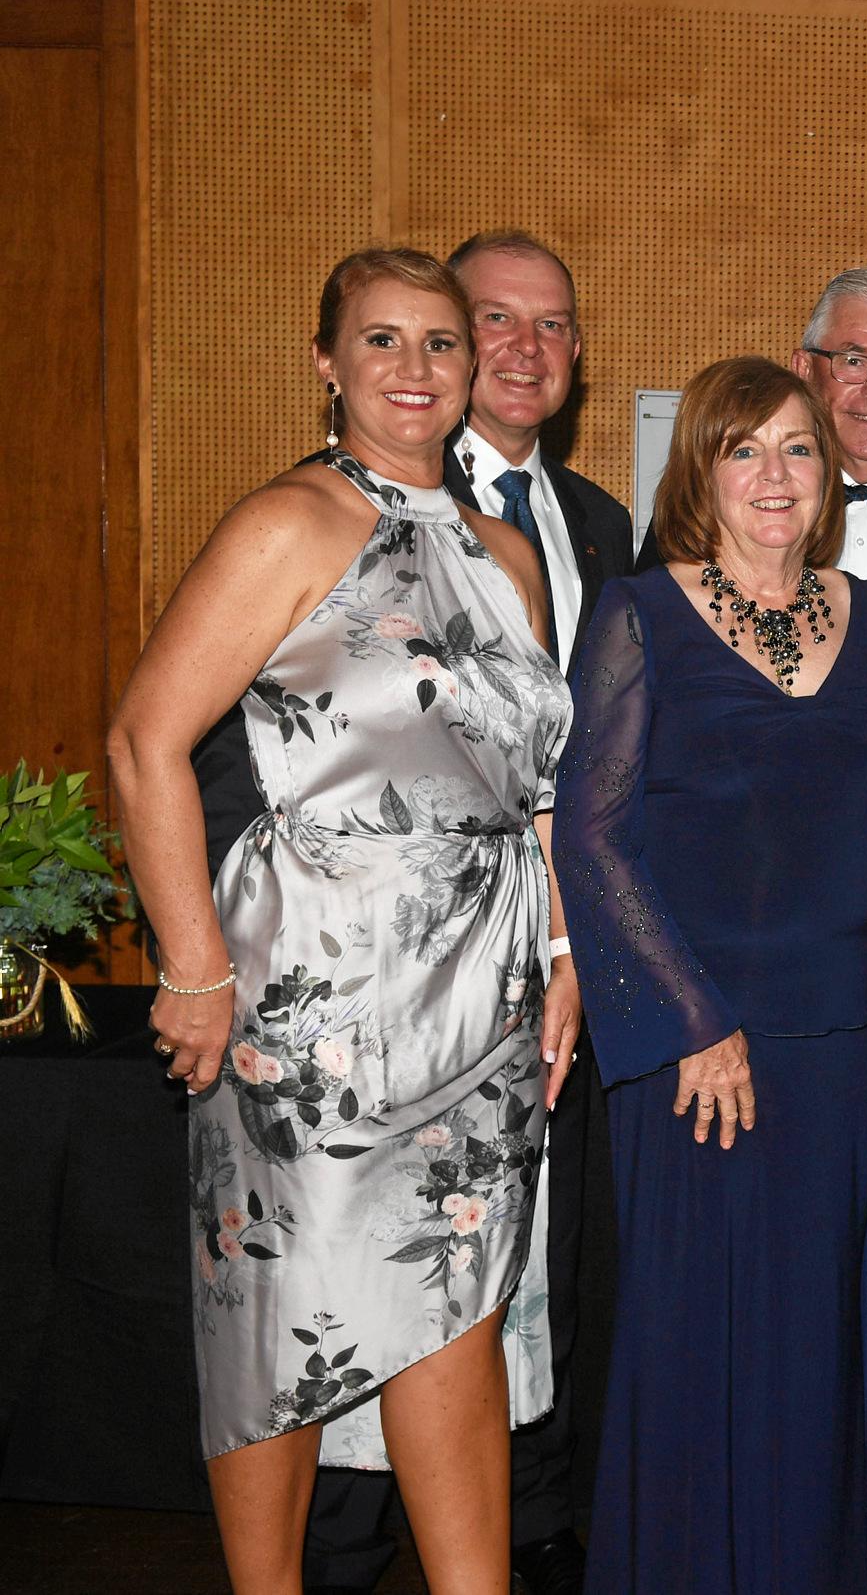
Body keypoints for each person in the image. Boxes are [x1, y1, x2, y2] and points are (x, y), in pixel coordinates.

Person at [106, 246, 575, 1595]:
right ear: (328, 364)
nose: (417, 369)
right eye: (384, 342)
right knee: (277, 1317)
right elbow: (146, 741)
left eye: (441, 342)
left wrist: (556, 954)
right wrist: (193, 967)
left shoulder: (502, 556)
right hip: (313, 997)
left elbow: (532, 777)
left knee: (454, 1305)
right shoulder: (288, 525)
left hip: (479, 998)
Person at [283, 226, 628, 1595]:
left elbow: (573, 768)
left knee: (504, 1267)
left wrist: (562, 945)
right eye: (494, 322)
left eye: (555, 324)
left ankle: (510, 1531)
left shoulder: (592, 525)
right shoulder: (308, 516)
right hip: (350, 970)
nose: (524, 349)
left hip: (524, 964)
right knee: (360, 1275)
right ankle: (347, 1548)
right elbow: (205, 746)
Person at [554, 355, 867, 1594]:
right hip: (695, 1045)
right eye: (744, 449)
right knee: (693, 1341)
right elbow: (592, 834)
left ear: (827, 472)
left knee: (814, 1342)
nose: (775, 476)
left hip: (839, 1040)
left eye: (798, 450)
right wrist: (692, 1022)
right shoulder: (639, 613)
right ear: (699, 471)